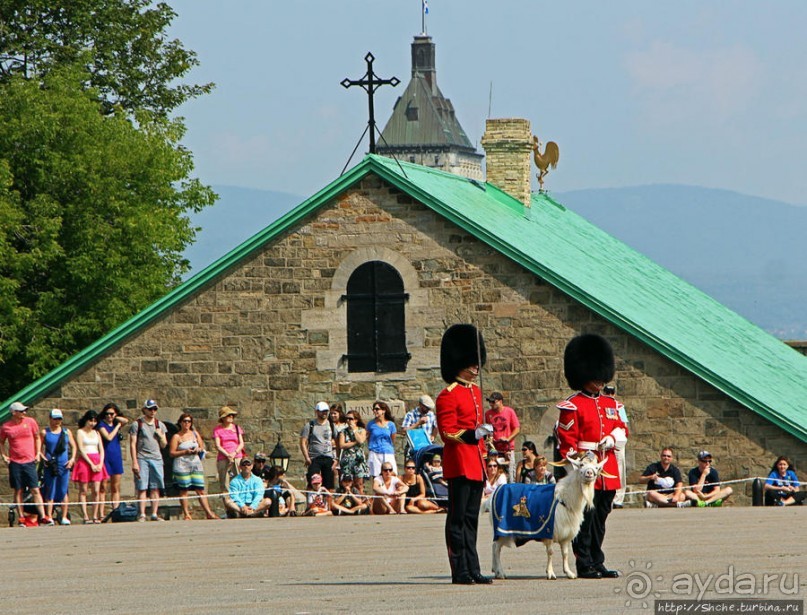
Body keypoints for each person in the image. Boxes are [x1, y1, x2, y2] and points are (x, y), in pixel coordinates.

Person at [556, 333, 628, 579]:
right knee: (585, 520)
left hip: (608, 470)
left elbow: (623, 428)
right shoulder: (572, 405)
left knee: (600, 519)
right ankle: (584, 562)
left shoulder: (613, 404)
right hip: (586, 472)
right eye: (595, 376)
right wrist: (580, 465)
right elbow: (566, 443)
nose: (599, 381)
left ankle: (597, 560)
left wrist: (613, 437)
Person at [435, 323, 493, 585]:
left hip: (476, 462)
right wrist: (472, 434)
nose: (476, 367)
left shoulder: (476, 392)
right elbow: (447, 432)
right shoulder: (447, 395)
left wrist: (483, 436)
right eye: (471, 363)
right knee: (457, 519)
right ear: (459, 363)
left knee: (471, 519)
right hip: (459, 462)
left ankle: (473, 567)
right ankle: (459, 570)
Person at [0, 402, 52, 525]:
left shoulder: (30, 422)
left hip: (29, 462)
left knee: (35, 489)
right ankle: (21, 517)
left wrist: (37, 452)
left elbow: (37, 437)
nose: (24, 413)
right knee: (18, 490)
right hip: (15, 462)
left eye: (25, 411)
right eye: (21, 411)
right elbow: (1, 441)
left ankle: (43, 516)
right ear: (14, 413)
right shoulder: (6, 427)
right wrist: (3, 455)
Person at [169, 413, 218, 520]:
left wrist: (198, 449)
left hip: (195, 464)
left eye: (189, 421)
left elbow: (201, 446)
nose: (187, 423)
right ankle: (186, 514)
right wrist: (185, 452)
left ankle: (209, 513)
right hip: (182, 465)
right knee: (184, 490)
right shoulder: (177, 436)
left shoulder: (195, 434)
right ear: (180, 422)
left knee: (200, 489)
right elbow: (172, 453)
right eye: (185, 421)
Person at [129, 399, 168, 522]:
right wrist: (134, 461)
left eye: (155, 409)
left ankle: (154, 513)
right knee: (142, 487)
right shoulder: (137, 424)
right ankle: (142, 514)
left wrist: (160, 436)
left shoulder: (160, 425)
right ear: (144, 409)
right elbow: (132, 444)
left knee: (155, 487)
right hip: (142, 458)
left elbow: (164, 445)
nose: (152, 411)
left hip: (156, 458)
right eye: (150, 409)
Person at [40, 409, 77, 525]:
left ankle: (64, 516)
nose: (57, 421)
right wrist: (44, 458)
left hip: (64, 464)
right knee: (50, 489)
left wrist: (72, 459)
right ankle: (49, 516)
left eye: (59, 419)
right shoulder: (45, 432)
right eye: (55, 419)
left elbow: (73, 446)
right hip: (51, 464)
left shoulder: (66, 432)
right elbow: (38, 448)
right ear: (50, 419)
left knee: (63, 490)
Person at [72, 410, 109, 524]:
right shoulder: (80, 432)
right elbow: (81, 449)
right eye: (90, 421)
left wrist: (100, 463)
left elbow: (101, 449)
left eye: (94, 421)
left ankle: (95, 515)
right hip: (85, 461)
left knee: (96, 490)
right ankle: (85, 516)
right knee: (83, 490)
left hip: (97, 460)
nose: (92, 423)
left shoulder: (97, 433)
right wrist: (91, 464)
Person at [97, 402, 129, 516]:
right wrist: (117, 426)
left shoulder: (115, 422)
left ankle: (116, 510)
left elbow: (126, 420)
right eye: (107, 414)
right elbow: (108, 437)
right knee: (103, 487)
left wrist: (116, 419)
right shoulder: (101, 425)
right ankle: (101, 513)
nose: (109, 416)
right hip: (105, 457)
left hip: (116, 456)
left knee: (115, 486)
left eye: (111, 414)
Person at [299, 401, 337, 491]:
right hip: (314, 458)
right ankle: (311, 499)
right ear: (317, 411)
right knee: (313, 481)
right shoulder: (310, 425)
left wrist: (336, 458)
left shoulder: (331, 425)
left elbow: (336, 442)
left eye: (326, 411)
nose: (324, 413)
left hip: (328, 457)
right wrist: (307, 457)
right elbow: (303, 442)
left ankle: (328, 500)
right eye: (322, 411)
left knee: (329, 485)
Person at [484, 392, 520, 482]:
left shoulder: (509, 411)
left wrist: (508, 439)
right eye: (490, 402)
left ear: (500, 401)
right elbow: (488, 430)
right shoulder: (488, 414)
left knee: (510, 475)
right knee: (494, 474)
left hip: (507, 449)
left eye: (493, 402)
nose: (491, 404)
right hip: (494, 450)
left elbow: (517, 429)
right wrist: (489, 439)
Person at [603, 384, 629, 508]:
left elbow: (624, 425)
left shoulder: (620, 407)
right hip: (604, 441)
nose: (609, 395)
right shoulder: (601, 405)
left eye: (611, 392)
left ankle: (618, 498)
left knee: (619, 469)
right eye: (607, 392)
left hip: (617, 441)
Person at [213, 406, 245, 494]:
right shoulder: (217, 430)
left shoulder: (237, 428)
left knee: (239, 479)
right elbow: (218, 445)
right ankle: (227, 500)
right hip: (223, 457)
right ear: (223, 418)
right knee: (224, 481)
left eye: (232, 415)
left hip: (237, 457)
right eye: (228, 415)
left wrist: (234, 453)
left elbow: (241, 443)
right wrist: (228, 455)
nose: (231, 417)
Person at [338, 411, 369, 495]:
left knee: (359, 484)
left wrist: (354, 430)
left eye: (350, 418)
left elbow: (361, 440)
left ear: (356, 420)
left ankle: (360, 500)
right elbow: (342, 445)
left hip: (358, 460)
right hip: (347, 460)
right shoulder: (343, 432)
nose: (348, 420)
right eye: (347, 418)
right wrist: (355, 443)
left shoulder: (361, 430)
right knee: (347, 484)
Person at [366, 401, 398, 477]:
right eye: (374, 409)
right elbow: (368, 438)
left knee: (390, 475)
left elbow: (392, 439)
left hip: (387, 452)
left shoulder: (391, 424)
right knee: (376, 476)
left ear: (383, 411)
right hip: (375, 452)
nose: (375, 411)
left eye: (377, 409)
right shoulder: (371, 424)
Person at [402, 394, 438, 460]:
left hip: (427, 447)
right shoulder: (410, 415)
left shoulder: (431, 415)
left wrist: (433, 436)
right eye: (426, 407)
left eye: (429, 408)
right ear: (420, 404)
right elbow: (404, 431)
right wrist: (418, 423)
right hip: (413, 447)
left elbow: (436, 426)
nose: (428, 409)